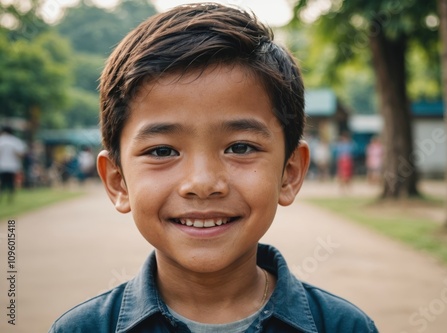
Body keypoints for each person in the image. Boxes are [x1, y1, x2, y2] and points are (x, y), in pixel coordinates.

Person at [49, 3, 378, 332]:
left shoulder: (345, 326)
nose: (203, 183)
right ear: (118, 182)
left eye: (240, 147)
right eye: (163, 151)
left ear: (289, 173)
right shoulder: (81, 329)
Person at [0, 125, 27, 203]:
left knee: (2, 182)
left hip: (2, 165)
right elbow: (21, 154)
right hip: (13, 165)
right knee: (11, 182)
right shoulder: (15, 141)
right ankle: (10, 198)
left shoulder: (1, 140)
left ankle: (1, 196)